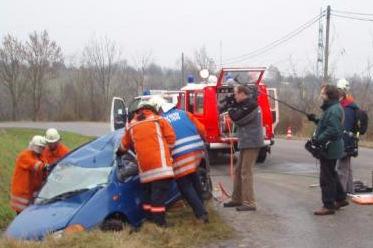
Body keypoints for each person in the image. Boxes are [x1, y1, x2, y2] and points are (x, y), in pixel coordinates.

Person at [116, 101, 176, 227]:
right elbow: (171, 139)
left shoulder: (131, 126)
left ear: (139, 111)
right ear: (151, 109)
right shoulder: (159, 120)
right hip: (161, 168)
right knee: (158, 199)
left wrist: (118, 153)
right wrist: (166, 151)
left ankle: (150, 220)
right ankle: (160, 224)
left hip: (145, 171)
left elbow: (123, 146)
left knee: (148, 197)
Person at [150, 96, 209, 223]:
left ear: (159, 109)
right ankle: (202, 205)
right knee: (194, 177)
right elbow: (202, 129)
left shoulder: (161, 120)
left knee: (185, 185)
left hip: (180, 154)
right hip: (197, 151)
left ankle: (201, 214)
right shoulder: (184, 113)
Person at [307, 84, 348, 215]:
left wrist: (318, 140)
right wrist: (316, 119)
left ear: (329, 95)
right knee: (332, 173)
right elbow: (327, 123)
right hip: (332, 147)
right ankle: (340, 198)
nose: (321, 95)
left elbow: (333, 129)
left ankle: (328, 205)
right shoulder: (332, 108)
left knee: (326, 178)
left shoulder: (334, 109)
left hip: (330, 148)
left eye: (323, 93)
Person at [223, 85, 264, 211]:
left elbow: (238, 118)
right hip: (246, 142)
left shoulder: (252, 105)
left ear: (242, 94)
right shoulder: (246, 104)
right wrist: (232, 106)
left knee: (246, 172)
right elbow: (237, 114)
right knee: (238, 170)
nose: (234, 97)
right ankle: (237, 199)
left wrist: (230, 108)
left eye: (236, 94)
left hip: (252, 142)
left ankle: (249, 202)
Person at [10, 135, 47, 214]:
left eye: (43, 147)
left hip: (31, 192)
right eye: (41, 147)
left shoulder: (40, 156)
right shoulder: (24, 156)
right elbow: (35, 165)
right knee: (21, 216)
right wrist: (46, 167)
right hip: (22, 194)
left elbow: (43, 169)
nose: (42, 149)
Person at [336, 78, 358, 194]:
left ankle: (340, 195)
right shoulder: (350, 105)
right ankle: (350, 191)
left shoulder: (347, 108)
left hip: (345, 142)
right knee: (347, 168)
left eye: (339, 89)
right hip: (349, 142)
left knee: (342, 169)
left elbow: (345, 127)